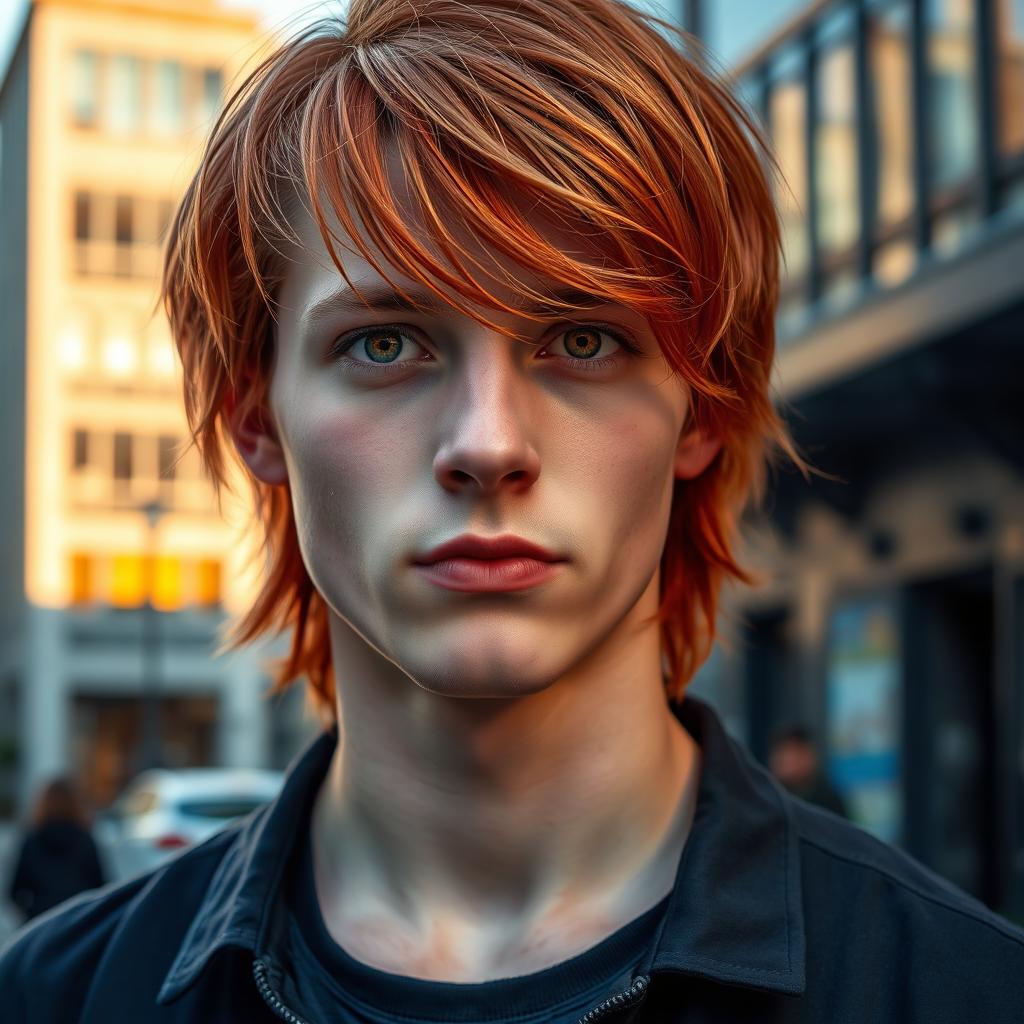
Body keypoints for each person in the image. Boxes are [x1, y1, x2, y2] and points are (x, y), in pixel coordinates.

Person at [2, 0, 1023, 1019]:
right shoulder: (57, 997)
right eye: (385, 343)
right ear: (257, 420)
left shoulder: (960, 991)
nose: (487, 444)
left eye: (582, 339)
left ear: (699, 412)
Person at [5, 776, 106, 923]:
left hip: (41, 923)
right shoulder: (85, 841)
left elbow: (14, 891)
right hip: (78, 921)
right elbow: (102, 887)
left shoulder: (32, 841)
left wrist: (32, 913)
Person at [768, 725, 848, 819]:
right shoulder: (767, 797)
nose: (789, 760)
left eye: (796, 753)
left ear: (810, 757)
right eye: (782, 752)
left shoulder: (829, 800)